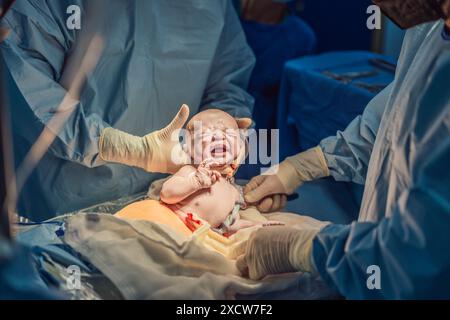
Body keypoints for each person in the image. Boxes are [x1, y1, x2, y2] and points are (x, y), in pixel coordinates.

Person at [238, 0, 450, 299]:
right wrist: (300, 168)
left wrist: (304, 250)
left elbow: (416, 260)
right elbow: (389, 124)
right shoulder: (429, 31)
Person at [0, 0, 255, 221]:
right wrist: (127, 148)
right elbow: (29, 92)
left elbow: (228, 85)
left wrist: (224, 133)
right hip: (62, 206)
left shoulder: (214, 6)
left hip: (170, 203)